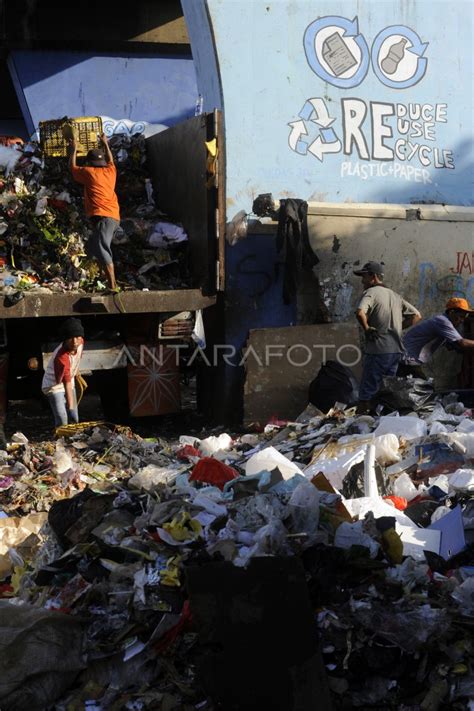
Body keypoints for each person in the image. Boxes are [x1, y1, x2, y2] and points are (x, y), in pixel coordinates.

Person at [354, 261, 421, 412]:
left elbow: (359, 312)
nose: (362, 281)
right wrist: (397, 328)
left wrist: (367, 328)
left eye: (364, 277)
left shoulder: (370, 293)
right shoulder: (395, 295)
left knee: (367, 392)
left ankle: (358, 424)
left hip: (378, 350)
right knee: (386, 390)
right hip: (395, 352)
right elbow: (416, 316)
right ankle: (380, 422)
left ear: (373, 276)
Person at [69, 133, 120, 291]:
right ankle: (97, 277)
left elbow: (72, 168)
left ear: (90, 162)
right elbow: (111, 159)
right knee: (93, 247)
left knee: (101, 247)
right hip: (113, 217)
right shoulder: (111, 171)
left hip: (103, 217)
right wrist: (105, 143)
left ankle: (112, 285)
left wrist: (74, 149)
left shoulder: (89, 172)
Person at [399, 297, 474, 377]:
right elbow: (462, 342)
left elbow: (454, 345)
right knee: (422, 387)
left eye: (464, 318)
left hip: (407, 358)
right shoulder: (443, 322)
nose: (462, 321)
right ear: (452, 312)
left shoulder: (443, 322)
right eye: (461, 317)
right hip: (407, 358)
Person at [42, 318, 85, 427]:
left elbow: (78, 357)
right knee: (63, 418)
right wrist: (70, 407)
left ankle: (74, 439)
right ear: (65, 340)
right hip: (54, 385)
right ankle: (60, 440)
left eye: (77, 337)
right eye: (71, 338)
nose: (75, 342)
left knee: (75, 417)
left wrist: (76, 371)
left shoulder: (80, 343)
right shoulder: (62, 357)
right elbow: (67, 384)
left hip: (68, 380)